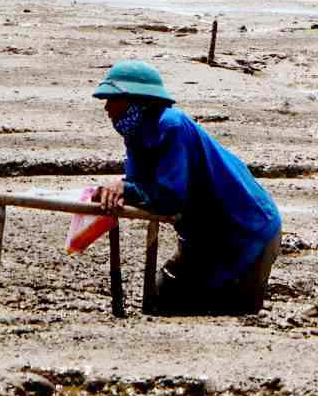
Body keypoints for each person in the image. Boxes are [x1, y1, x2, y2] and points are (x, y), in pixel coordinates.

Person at [92, 60, 283, 313]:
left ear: (138, 101)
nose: (107, 108)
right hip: (202, 235)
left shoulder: (172, 126)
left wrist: (125, 189)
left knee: (226, 310)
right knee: (163, 299)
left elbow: (169, 198)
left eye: (113, 99)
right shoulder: (135, 135)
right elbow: (140, 186)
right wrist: (122, 189)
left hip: (245, 231)